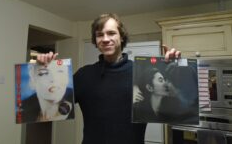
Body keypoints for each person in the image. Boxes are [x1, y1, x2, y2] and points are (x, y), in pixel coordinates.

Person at [37, 13, 181, 144]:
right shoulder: (84, 75)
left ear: (121, 37)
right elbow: (50, 108)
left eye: (111, 33)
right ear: (95, 40)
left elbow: (175, 107)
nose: (105, 39)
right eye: (100, 35)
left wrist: (174, 71)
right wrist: (45, 73)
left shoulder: (142, 73)